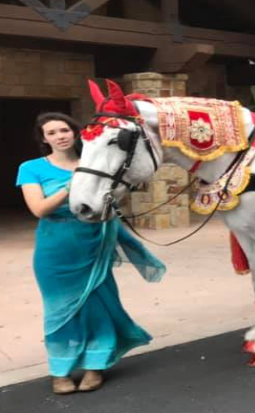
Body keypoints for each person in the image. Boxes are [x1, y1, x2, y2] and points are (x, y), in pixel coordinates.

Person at [16, 112, 166, 395]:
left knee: (97, 307)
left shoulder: (93, 162)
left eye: (64, 130)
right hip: (55, 249)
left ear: (75, 133)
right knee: (58, 311)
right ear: (44, 139)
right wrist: (70, 186)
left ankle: (96, 365)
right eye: (52, 132)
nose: (60, 136)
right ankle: (60, 369)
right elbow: (38, 209)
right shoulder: (31, 168)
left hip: (95, 243)